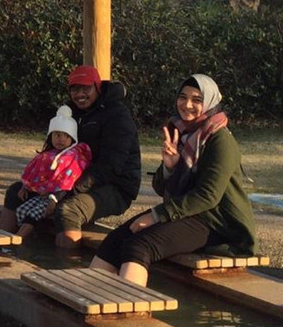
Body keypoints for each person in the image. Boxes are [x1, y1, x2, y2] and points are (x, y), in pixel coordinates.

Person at [91, 74, 255, 286]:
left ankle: (126, 308)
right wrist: (170, 167)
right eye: (183, 97)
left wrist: (157, 215)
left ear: (210, 102)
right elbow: (160, 187)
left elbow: (208, 196)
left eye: (197, 100)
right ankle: (88, 300)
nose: (187, 105)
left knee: (139, 245)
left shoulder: (220, 140)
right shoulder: (182, 134)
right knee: (115, 240)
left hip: (218, 225)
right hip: (189, 215)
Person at [0, 65, 140, 247]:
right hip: (69, 179)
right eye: (75, 89)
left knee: (68, 209)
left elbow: (111, 166)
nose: (80, 94)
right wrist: (32, 183)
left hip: (115, 185)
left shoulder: (117, 115)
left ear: (97, 86)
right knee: (15, 192)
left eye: (86, 88)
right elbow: (51, 150)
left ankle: (67, 267)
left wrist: (64, 192)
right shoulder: (69, 111)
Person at [7, 105, 92, 239]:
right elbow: (34, 172)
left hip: (58, 197)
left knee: (33, 214)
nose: (61, 139)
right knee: (21, 210)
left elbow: (67, 181)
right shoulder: (47, 156)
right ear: (50, 136)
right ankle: (29, 237)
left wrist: (54, 199)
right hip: (42, 195)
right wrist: (26, 186)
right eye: (57, 135)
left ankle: (18, 239)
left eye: (66, 136)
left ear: (72, 139)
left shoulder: (72, 158)